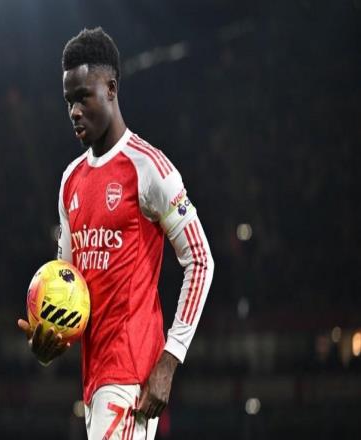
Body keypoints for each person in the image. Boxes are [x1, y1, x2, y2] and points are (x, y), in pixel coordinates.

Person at [18, 27, 214, 440]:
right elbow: (68, 282)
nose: (74, 111)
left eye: (83, 97)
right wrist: (50, 334)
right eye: (68, 101)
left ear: (110, 88)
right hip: (95, 377)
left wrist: (170, 358)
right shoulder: (70, 181)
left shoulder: (150, 169)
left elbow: (200, 260)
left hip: (131, 375)